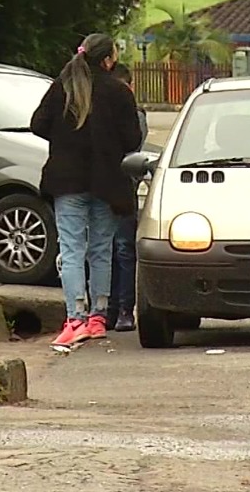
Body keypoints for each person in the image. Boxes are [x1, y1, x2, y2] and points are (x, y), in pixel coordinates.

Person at [31, 34, 143, 349]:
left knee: (71, 250)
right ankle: (98, 316)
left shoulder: (62, 87)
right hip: (107, 182)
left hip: (67, 180)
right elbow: (132, 139)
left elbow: (38, 124)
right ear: (108, 59)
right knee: (101, 249)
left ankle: (74, 317)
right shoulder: (118, 91)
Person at [104, 62, 147, 332]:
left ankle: (123, 308)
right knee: (103, 249)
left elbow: (133, 146)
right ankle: (107, 308)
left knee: (122, 248)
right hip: (103, 187)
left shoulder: (134, 114)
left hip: (123, 187)